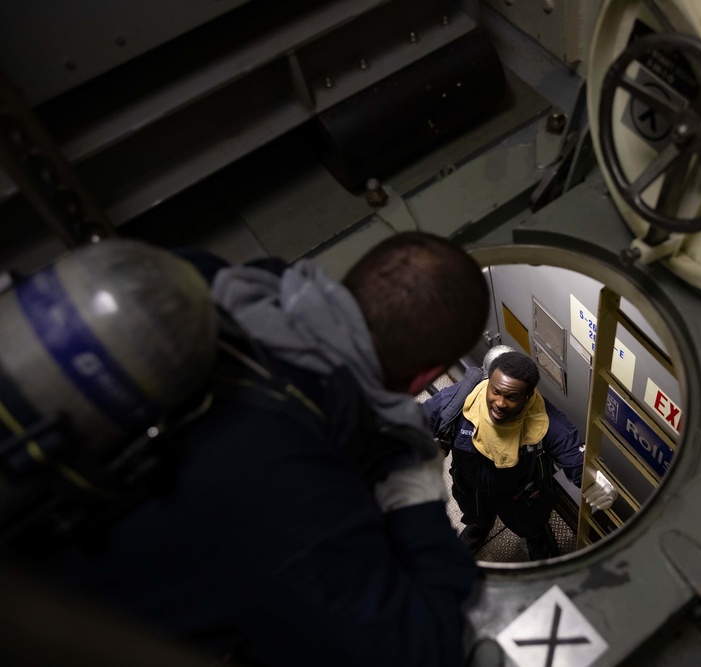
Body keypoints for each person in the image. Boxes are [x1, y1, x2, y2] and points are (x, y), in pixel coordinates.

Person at [28, 232, 491, 667]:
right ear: (423, 380)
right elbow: (423, 650)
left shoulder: (198, 280)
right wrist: (414, 492)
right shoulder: (299, 491)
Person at [424, 348, 616, 560]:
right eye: (495, 391)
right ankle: (479, 526)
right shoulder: (458, 402)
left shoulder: (546, 423)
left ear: (527, 396)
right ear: (489, 381)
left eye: (511, 397)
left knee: (532, 526)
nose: (499, 403)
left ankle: (538, 542)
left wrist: (597, 482)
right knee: (476, 513)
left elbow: (576, 459)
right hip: (471, 484)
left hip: (520, 493)